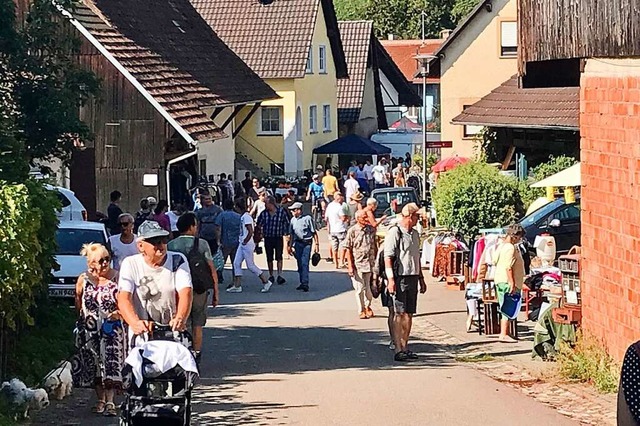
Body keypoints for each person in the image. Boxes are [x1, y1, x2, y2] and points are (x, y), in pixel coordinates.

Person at [117, 221, 192, 339]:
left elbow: (186, 292)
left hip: (172, 329)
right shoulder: (130, 263)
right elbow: (123, 297)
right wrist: (135, 322)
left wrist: (180, 318)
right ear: (140, 246)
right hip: (143, 332)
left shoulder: (178, 260)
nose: (161, 245)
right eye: (155, 241)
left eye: (164, 240)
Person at [74, 243, 124, 417]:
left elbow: (124, 303)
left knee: (110, 364)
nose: (104, 264)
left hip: (111, 329)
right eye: (100, 261)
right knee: (94, 365)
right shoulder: (83, 279)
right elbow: (78, 301)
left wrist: (116, 314)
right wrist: (82, 321)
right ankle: (100, 399)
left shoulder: (117, 278)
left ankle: (110, 401)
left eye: (107, 259)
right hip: (89, 329)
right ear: (91, 263)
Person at [168, 213, 219, 361]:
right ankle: (196, 354)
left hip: (178, 291)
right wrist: (215, 292)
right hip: (199, 289)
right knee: (197, 324)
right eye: (195, 225)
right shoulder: (202, 244)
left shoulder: (171, 245)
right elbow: (211, 269)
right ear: (191, 227)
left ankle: (181, 353)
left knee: (180, 321)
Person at [384, 203, 427, 362]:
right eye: (416, 216)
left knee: (409, 313)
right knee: (399, 312)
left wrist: (421, 278)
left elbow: (417, 257)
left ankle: (405, 345)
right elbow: (388, 257)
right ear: (409, 216)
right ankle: (397, 348)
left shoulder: (415, 234)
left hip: (413, 276)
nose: (418, 219)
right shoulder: (395, 232)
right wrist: (390, 279)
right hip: (399, 277)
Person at [227, 198, 270, 293]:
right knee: (236, 263)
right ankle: (237, 285)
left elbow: (250, 231)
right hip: (242, 243)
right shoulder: (243, 216)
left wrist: (246, 240)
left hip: (247, 244)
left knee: (250, 265)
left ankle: (265, 281)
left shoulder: (246, 217)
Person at [494, 224, 526, 343]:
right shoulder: (510, 248)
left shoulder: (501, 246)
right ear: (515, 236)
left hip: (500, 279)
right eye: (520, 237)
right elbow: (508, 267)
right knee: (507, 307)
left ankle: (507, 332)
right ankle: (503, 334)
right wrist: (512, 283)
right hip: (507, 282)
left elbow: (494, 260)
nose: (520, 240)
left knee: (506, 306)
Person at [344, 210, 376, 320]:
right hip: (357, 263)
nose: (366, 219)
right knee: (359, 288)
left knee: (368, 288)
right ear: (358, 219)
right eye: (364, 218)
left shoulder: (371, 230)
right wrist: (350, 265)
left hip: (369, 263)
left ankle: (368, 306)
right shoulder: (352, 231)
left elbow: (374, 245)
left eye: (367, 217)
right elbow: (348, 248)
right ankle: (361, 309)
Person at [257, 196, 290, 290]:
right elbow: (259, 225)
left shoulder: (281, 212)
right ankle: (271, 274)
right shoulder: (264, 214)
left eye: (266, 203)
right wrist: (259, 235)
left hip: (278, 237)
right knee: (269, 257)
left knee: (279, 256)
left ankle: (280, 274)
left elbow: (286, 222)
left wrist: (287, 234)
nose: (265, 205)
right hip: (268, 237)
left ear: (271, 203)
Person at [287, 202, 320, 292]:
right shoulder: (293, 220)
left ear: (299, 210)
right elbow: (292, 234)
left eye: (293, 210)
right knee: (299, 264)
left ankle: (305, 283)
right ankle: (302, 282)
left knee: (305, 263)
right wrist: (289, 246)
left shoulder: (308, 218)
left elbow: (314, 232)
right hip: (297, 244)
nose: (292, 212)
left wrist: (317, 245)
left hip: (307, 243)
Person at [215, 199, 242, 286]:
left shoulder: (222, 215)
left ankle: (217, 278)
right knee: (235, 262)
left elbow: (218, 228)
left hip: (225, 241)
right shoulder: (238, 216)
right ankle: (235, 280)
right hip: (236, 241)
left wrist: (218, 240)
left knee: (221, 262)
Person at [325, 191, 349, 269]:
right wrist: (346, 218)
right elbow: (342, 218)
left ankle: (336, 263)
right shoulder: (339, 207)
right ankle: (341, 262)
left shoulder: (329, 206)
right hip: (340, 228)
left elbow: (326, 218)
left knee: (334, 247)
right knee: (342, 246)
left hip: (332, 229)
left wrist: (328, 227)